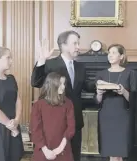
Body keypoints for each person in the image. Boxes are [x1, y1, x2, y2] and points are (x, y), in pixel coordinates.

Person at [31, 30, 95, 161]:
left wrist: (100, 85)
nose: (78, 47)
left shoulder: (81, 67)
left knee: (74, 157)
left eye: (78, 43)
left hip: (75, 121)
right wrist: (42, 59)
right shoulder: (50, 64)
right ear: (63, 45)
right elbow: (36, 82)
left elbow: (87, 86)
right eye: (75, 43)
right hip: (54, 123)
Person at [95, 44, 137, 161]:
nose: (110, 55)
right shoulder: (101, 74)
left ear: (121, 56)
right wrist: (99, 93)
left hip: (122, 115)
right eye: (109, 53)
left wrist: (123, 91)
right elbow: (97, 102)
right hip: (106, 115)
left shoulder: (130, 73)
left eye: (114, 52)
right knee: (109, 151)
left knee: (119, 151)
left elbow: (134, 100)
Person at [30, 72, 75, 161]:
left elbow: (71, 128)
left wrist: (59, 149)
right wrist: (46, 151)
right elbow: (35, 130)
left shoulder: (68, 103)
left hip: (63, 149)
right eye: (60, 84)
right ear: (51, 85)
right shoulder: (38, 105)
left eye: (64, 83)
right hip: (43, 150)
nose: (63, 86)